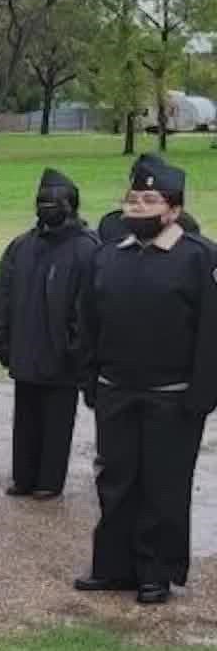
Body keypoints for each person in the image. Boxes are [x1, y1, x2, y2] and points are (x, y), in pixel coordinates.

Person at [76, 156, 217, 605]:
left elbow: (211, 332)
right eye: (132, 200)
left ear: (172, 209)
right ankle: (113, 566)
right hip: (116, 387)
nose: (138, 208)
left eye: (149, 200)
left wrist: (203, 390)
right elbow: (89, 322)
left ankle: (156, 571)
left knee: (163, 486)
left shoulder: (199, 259)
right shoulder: (106, 257)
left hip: (172, 396)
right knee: (115, 481)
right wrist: (91, 379)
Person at [0, 168, 97, 499]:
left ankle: (49, 480)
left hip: (62, 359)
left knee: (57, 420)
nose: (46, 207)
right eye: (41, 201)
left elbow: (88, 307)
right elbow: (1, 296)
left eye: (54, 201)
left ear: (71, 205)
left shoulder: (87, 249)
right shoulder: (22, 246)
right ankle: (23, 476)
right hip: (24, 349)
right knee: (26, 417)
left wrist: (75, 349)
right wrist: (2, 341)